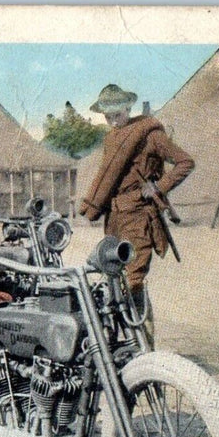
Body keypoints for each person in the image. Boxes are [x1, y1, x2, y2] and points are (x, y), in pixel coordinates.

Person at [79, 84, 194, 325]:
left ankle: (144, 345)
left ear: (128, 108)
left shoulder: (150, 134)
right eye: (108, 117)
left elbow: (185, 162)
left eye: (117, 115)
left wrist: (158, 187)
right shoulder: (111, 139)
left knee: (134, 280)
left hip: (140, 216)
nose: (113, 122)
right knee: (114, 278)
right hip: (115, 217)